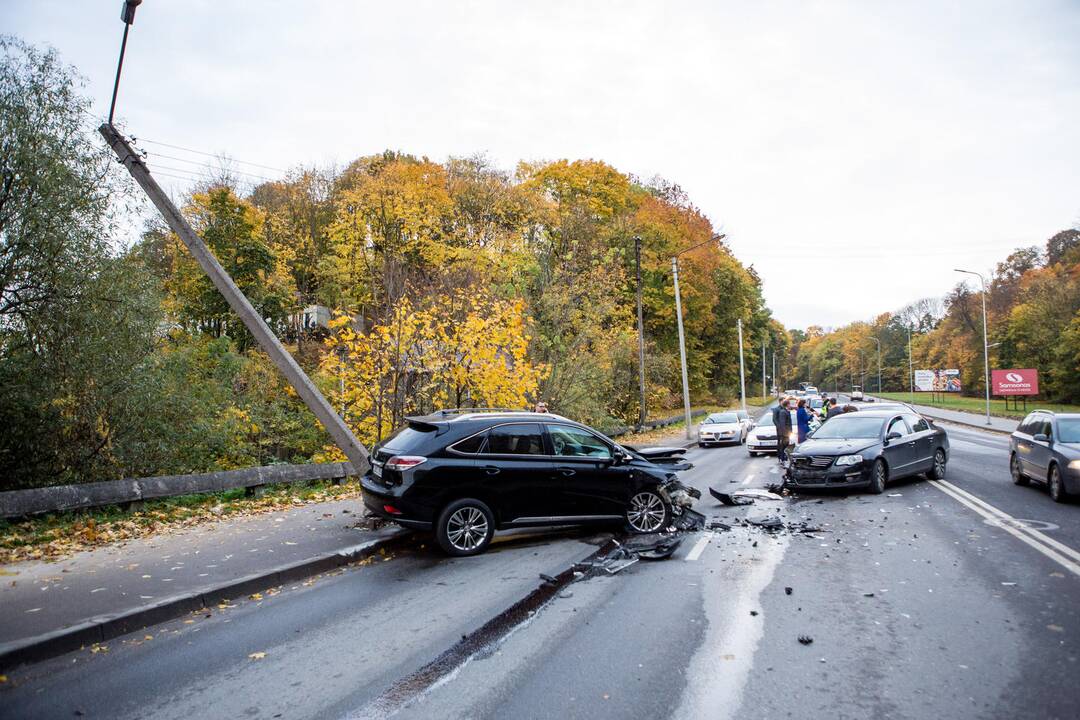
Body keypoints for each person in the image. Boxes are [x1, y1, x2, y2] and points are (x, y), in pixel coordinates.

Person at [773, 396, 794, 464]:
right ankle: (781, 458)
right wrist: (782, 430)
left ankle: (784, 458)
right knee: (781, 445)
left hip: (786, 432)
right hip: (782, 431)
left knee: (785, 445)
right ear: (780, 401)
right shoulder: (779, 410)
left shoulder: (785, 410)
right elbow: (776, 420)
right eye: (783, 401)